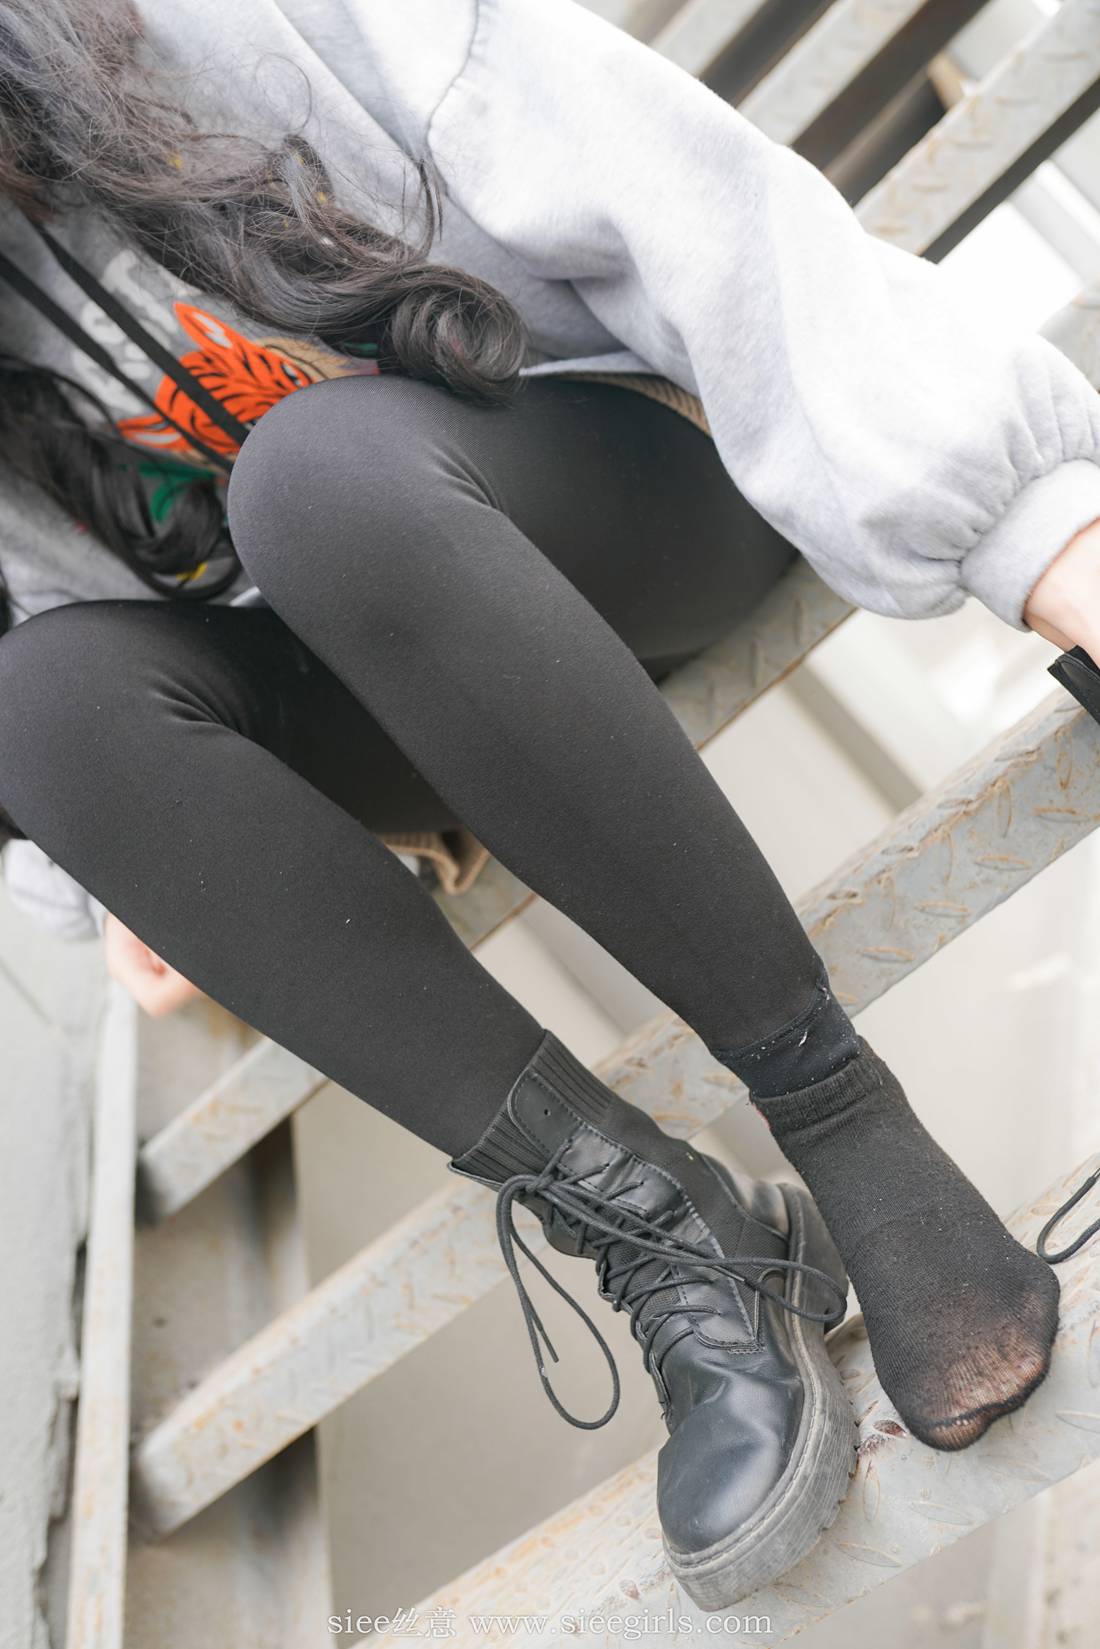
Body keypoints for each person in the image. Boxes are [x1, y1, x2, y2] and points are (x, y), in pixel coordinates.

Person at [0, 0, 1094, 1609]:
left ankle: (843, 1120)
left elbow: (671, 185)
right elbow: (60, 618)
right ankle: (676, 1237)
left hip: (626, 476)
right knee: (36, 705)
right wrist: (126, 854)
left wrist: (1034, 523)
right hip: (390, 662)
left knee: (312, 476)